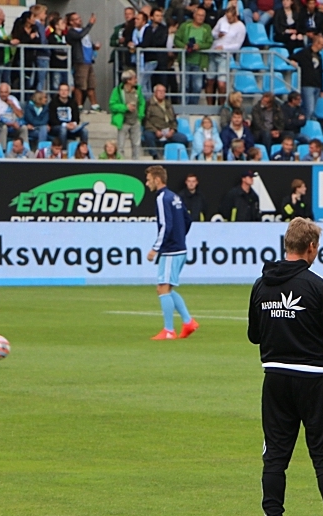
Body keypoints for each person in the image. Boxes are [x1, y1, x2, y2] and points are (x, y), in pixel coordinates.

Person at [247, 217, 323, 516]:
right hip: (315, 378)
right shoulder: (318, 285)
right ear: (311, 249)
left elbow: (253, 335)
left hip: (274, 376)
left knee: (275, 456)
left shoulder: (262, 285)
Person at [144, 165, 198, 341]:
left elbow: (166, 225)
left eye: (149, 179)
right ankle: (188, 322)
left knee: (163, 288)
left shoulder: (162, 198)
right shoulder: (175, 196)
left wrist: (156, 247)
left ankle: (169, 330)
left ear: (157, 179)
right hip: (180, 248)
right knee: (165, 288)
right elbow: (187, 220)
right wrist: (180, 238)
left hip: (171, 250)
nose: (147, 183)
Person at [174, 7, 213, 105]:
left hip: (199, 62)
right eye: (199, 15)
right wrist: (185, 46)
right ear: (194, 15)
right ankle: (184, 107)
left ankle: (193, 107)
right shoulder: (185, 26)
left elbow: (209, 43)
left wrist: (199, 46)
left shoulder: (207, 28)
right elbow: (176, 40)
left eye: (203, 16)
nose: (200, 17)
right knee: (185, 85)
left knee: (197, 86)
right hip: (185, 60)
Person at [208, 6, 246, 105]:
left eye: (230, 18)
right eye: (227, 17)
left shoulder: (241, 27)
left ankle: (222, 106)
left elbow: (237, 45)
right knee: (210, 81)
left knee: (221, 84)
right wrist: (217, 35)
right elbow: (213, 33)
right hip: (213, 52)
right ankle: (209, 106)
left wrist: (224, 47)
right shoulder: (222, 20)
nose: (227, 20)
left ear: (235, 16)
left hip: (224, 56)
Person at [67, 12, 100, 113]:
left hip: (88, 61)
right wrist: (90, 24)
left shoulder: (84, 31)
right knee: (80, 85)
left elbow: (86, 43)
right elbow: (79, 36)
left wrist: (94, 46)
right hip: (80, 62)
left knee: (91, 84)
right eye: (76, 19)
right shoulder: (71, 32)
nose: (79, 20)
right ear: (71, 22)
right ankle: (79, 105)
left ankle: (94, 105)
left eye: (79, 18)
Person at [143, 84, 189, 157]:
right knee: (148, 135)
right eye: (159, 91)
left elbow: (174, 120)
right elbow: (146, 121)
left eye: (163, 91)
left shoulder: (168, 104)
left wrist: (172, 130)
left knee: (183, 138)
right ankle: (155, 156)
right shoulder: (149, 104)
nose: (162, 93)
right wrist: (156, 131)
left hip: (168, 130)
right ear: (154, 92)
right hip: (154, 130)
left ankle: (182, 157)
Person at [110, 69, 145, 160]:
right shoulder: (117, 91)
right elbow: (112, 105)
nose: (136, 80)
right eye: (134, 78)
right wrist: (125, 107)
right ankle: (121, 163)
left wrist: (140, 115)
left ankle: (136, 162)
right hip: (123, 121)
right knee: (120, 145)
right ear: (128, 80)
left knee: (136, 144)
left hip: (135, 121)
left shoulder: (138, 90)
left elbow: (142, 103)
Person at [290, 35, 323, 121]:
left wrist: (322, 89)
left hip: (317, 85)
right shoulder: (304, 53)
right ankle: (306, 126)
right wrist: (293, 62)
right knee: (310, 109)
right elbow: (292, 58)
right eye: (322, 44)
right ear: (317, 44)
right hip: (307, 84)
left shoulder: (319, 56)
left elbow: (320, 72)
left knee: (310, 109)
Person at [0, 82, 26, 152]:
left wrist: (12, 105)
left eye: (5, 92)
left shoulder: (13, 99)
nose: (3, 94)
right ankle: (3, 151)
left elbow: (20, 115)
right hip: (0, 125)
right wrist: (11, 124)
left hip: (13, 125)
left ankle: (25, 150)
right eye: (1, 92)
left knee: (24, 128)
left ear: (9, 92)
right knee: (4, 127)